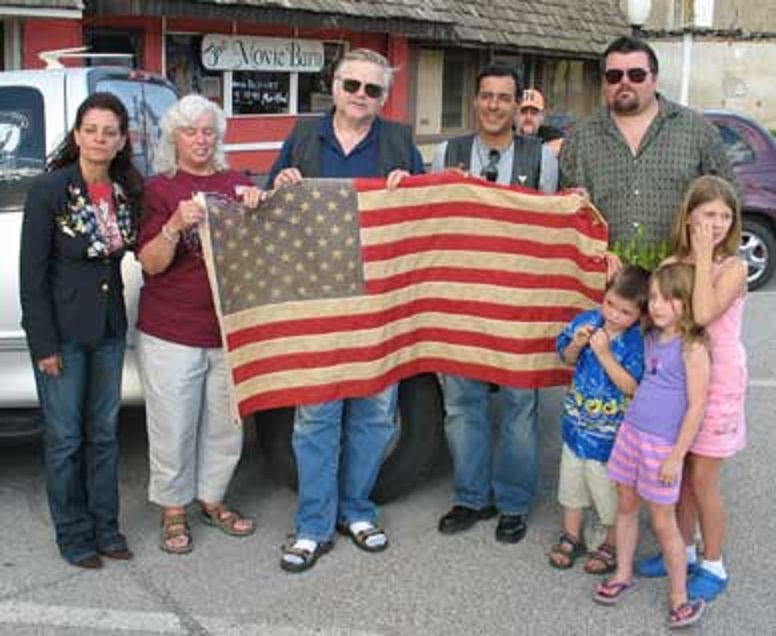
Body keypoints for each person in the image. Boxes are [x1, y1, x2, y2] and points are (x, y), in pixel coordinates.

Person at [266, 48, 424, 573]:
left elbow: (425, 218)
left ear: (385, 96)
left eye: (372, 89)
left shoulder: (399, 140)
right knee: (316, 417)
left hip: (381, 300)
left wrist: (410, 191)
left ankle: (357, 510)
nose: (360, 96)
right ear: (333, 86)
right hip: (318, 299)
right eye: (351, 85)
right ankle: (313, 524)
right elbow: (267, 206)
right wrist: (280, 187)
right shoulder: (304, 136)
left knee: (375, 415)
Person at [431, 64, 558, 544]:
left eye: (504, 98)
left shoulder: (541, 158)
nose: (494, 105)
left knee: (520, 407)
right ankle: (469, 497)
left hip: (519, 303)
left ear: (516, 104)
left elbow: (551, 228)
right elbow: (432, 223)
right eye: (486, 96)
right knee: (462, 405)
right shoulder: (448, 152)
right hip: (462, 300)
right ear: (475, 100)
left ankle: (513, 503)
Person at [136, 94, 263, 555]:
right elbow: (150, 264)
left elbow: (262, 253)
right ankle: (173, 510)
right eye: (191, 131)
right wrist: (172, 224)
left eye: (208, 131)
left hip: (230, 329)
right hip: (171, 328)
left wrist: (258, 205)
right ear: (175, 138)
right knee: (173, 423)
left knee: (225, 425)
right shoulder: (158, 188)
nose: (201, 140)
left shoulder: (236, 182)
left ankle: (212, 499)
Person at [19, 93, 142, 568]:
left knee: (105, 436)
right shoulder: (50, 191)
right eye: (91, 130)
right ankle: (73, 535)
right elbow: (31, 278)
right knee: (66, 439)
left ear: (121, 141)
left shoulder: (125, 189)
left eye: (110, 132)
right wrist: (43, 345)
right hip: (63, 336)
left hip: (109, 330)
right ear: (76, 136)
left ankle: (106, 528)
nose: (99, 139)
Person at [637, 175, 747, 603]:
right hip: (679, 386)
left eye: (725, 215)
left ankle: (714, 563)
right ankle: (678, 550)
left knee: (703, 480)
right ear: (689, 216)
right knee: (680, 477)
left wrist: (703, 257)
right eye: (708, 214)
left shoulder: (732, 267)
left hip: (719, 385)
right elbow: (656, 316)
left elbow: (701, 313)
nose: (717, 223)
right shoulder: (672, 263)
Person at [594, 263, 709, 630]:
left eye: (670, 298)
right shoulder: (649, 337)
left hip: (662, 446)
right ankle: (623, 573)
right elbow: (622, 299)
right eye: (655, 297)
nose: (658, 305)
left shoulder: (692, 347)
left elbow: (696, 407)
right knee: (626, 508)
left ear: (687, 303)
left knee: (664, 523)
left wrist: (677, 455)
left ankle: (679, 598)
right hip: (631, 434)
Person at [559, 36, 735, 248]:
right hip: (604, 276)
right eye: (614, 76)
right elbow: (563, 214)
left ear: (654, 78)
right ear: (604, 83)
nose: (625, 82)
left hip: (679, 274)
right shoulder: (579, 137)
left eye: (636, 75)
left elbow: (730, 199)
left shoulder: (697, 130)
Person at [549, 265, 649, 573]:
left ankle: (611, 543)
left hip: (610, 437)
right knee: (571, 486)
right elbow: (565, 358)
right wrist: (577, 343)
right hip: (576, 427)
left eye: (625, 312)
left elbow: (632, 386)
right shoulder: (587, 321)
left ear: (639, 316)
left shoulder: (635, 343)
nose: (614, 315)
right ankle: (571, 534)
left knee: (608, 494)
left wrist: (605, 354)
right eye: (609, 304)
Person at [516, 88, 564, 155]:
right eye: (523, 112)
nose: (528, 117)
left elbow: (563, 144)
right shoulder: (506, 134)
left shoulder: (552, 134)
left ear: (542, 117)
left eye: (534, 113)